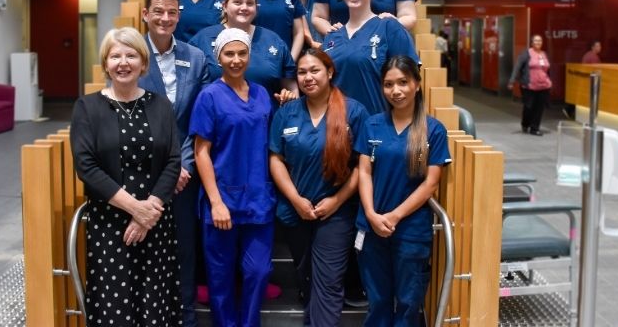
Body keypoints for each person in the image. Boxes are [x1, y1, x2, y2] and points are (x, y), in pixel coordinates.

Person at [70, 27, 182, 326]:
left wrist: (149, 211)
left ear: (143, 63)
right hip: (110, 225)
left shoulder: (161, 105)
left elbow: (173, 160)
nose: (123, 62)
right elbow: (86, 166)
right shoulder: (87, 107)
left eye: (131, 55)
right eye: (115, 56)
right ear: (105, 63)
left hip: (156, 222)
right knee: (114, 309)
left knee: (156, 306)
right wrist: (136, 210)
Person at [269, 49, 369, 326]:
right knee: (306, 276)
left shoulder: (354, 111)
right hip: (294, 210)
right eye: (302, 72)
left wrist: (336, 201)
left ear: (329, 72)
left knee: (327, 280)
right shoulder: (287, 112)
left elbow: (362, 165)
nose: (308, 77)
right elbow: (275, 158)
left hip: (335, 212)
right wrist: (295, 199)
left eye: (314, 70)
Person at [355, 55, 451, 327]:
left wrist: (394, 216)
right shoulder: (372, 124)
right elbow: (364, 171)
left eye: (403, 83)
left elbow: (431, 183)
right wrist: (372, 215)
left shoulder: (433, 130)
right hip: (371, 228)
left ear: (417, 85)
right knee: (377, 301)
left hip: (410, 231)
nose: (395, 91)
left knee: (408, 304)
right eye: (388, 84)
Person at [190, 28, 276, 327]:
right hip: (222, 199)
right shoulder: (209, 96)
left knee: (258, 271)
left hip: (258, 199)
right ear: (218, 57)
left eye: (242, 53)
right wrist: (216, 203)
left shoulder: (262, 94)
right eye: (229, 53)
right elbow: (201, 152)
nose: (236, 59)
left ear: (250, 56)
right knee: (220, 277)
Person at [136, 0, 211, 327]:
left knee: (184, 252)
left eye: (172, 12)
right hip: (142, 176)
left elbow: (202, 119)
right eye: (158, 12)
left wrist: (184, 164)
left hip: (185, 177)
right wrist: (168, 166)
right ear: (145, 14)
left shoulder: (195, 57)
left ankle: (186, 319)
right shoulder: (131, 57)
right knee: (144, 254)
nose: (165, 18)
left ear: (179, 15)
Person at [322, 0, 419, 116]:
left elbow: (409, 81)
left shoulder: (388, 27)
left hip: (377, 127)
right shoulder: (332, 36)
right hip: (337, 127)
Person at [189, 0, 297, 105]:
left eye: (250, 3)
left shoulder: (273, 40)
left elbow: (290, 86)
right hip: (217, 117)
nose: (244, 7)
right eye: (238, 2)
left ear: (256, 8)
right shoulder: (203, 39)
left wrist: (289, 97)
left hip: (265, 118)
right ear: (224, 6)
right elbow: (189, 85)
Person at [508, 34, 552, 136]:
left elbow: (547, 69)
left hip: (544, 86)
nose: (538, 43)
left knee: (539, 108)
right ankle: (525, 123)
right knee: (528, 107)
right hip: (529, 86)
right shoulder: (526, 54)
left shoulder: (544, 54)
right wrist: (512, 81)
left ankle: (535, 128)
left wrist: (550, 81)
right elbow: (517, 66)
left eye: (540, 41)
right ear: (532, 42)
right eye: (536, 41)